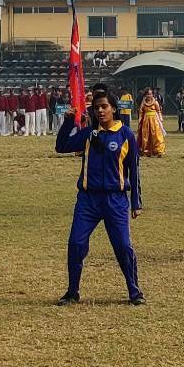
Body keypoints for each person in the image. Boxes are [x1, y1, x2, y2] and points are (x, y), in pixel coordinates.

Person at [51, 90, 146, 305]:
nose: (101, 111)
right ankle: (72, 292)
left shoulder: (126, 135)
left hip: (116, 200)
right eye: (97, 108)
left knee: (122, 246)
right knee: (76, 243)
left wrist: (136, 202)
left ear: (113, 108)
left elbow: (134, 170)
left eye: (104, 106)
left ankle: (134, 291)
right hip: (88, 200)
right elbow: (61, 146)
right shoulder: (88, 134)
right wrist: (67, 123)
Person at [137, 88, 168, 157]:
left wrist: (160, 118)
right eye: (147, 94)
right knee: (146, 136)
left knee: (156, 135)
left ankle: (158, 151)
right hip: (146, 121)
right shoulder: (143, 103)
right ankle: (146, 151)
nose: (149, 96)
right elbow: (141, 112)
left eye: (150, 94)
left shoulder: (155, 102)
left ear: (152, 95)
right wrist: (140, 119)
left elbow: (158, 111)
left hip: (154, 121)